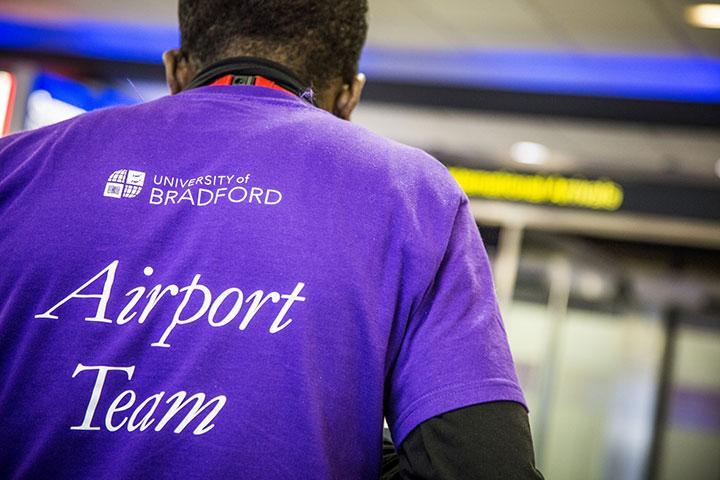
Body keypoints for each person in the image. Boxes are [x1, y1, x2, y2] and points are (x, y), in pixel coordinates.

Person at [0, 1, 542, 478]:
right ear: (350, 94)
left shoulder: (14, 170)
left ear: (175, 70)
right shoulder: (415, 199)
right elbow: (481, 467)